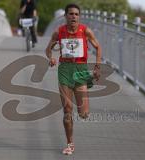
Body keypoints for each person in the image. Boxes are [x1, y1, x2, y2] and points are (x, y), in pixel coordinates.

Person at [45, 3, 101, 155]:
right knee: (67, 110)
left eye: (76, 14)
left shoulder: (85, 31)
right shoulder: (59, 32)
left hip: (81, 69)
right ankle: (70, 144)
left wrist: (97, 66)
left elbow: (97, 47)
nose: (73, 17)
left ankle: (83, 111)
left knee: (83, 113)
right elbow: (48, 49)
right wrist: (51, 58)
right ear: (65, 16)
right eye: (71, 14)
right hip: (65, 69)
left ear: (79, 17)